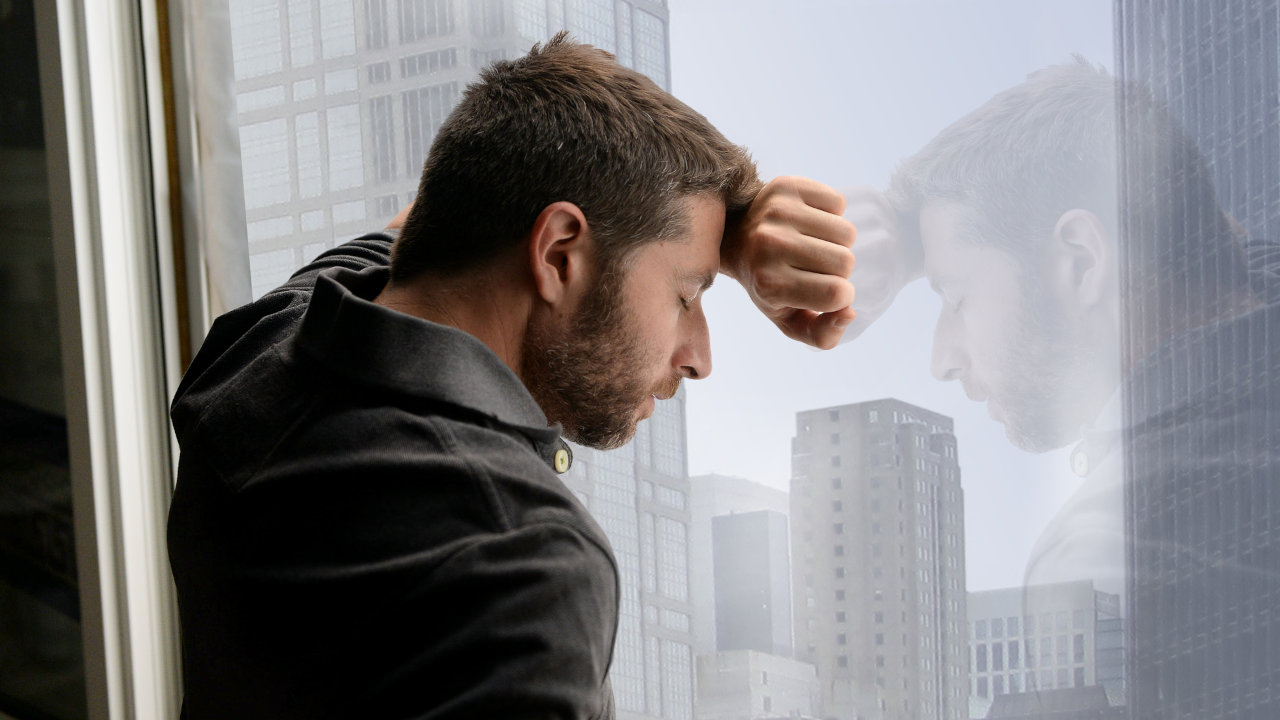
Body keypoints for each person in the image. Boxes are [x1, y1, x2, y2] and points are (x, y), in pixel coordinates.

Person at [167, 34, 856, 720]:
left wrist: (719, 229)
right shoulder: (522, 564)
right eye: (687, 295)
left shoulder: (261, 347)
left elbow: (449, 212)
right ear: (558, 255)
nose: (699, 357)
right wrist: (732, 231)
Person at [842, 59, 1279, 715]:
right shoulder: (1256, 317)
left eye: (956, 298)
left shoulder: (1118, 552)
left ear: (1080, 260)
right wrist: (916, 234)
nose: (943, 359)